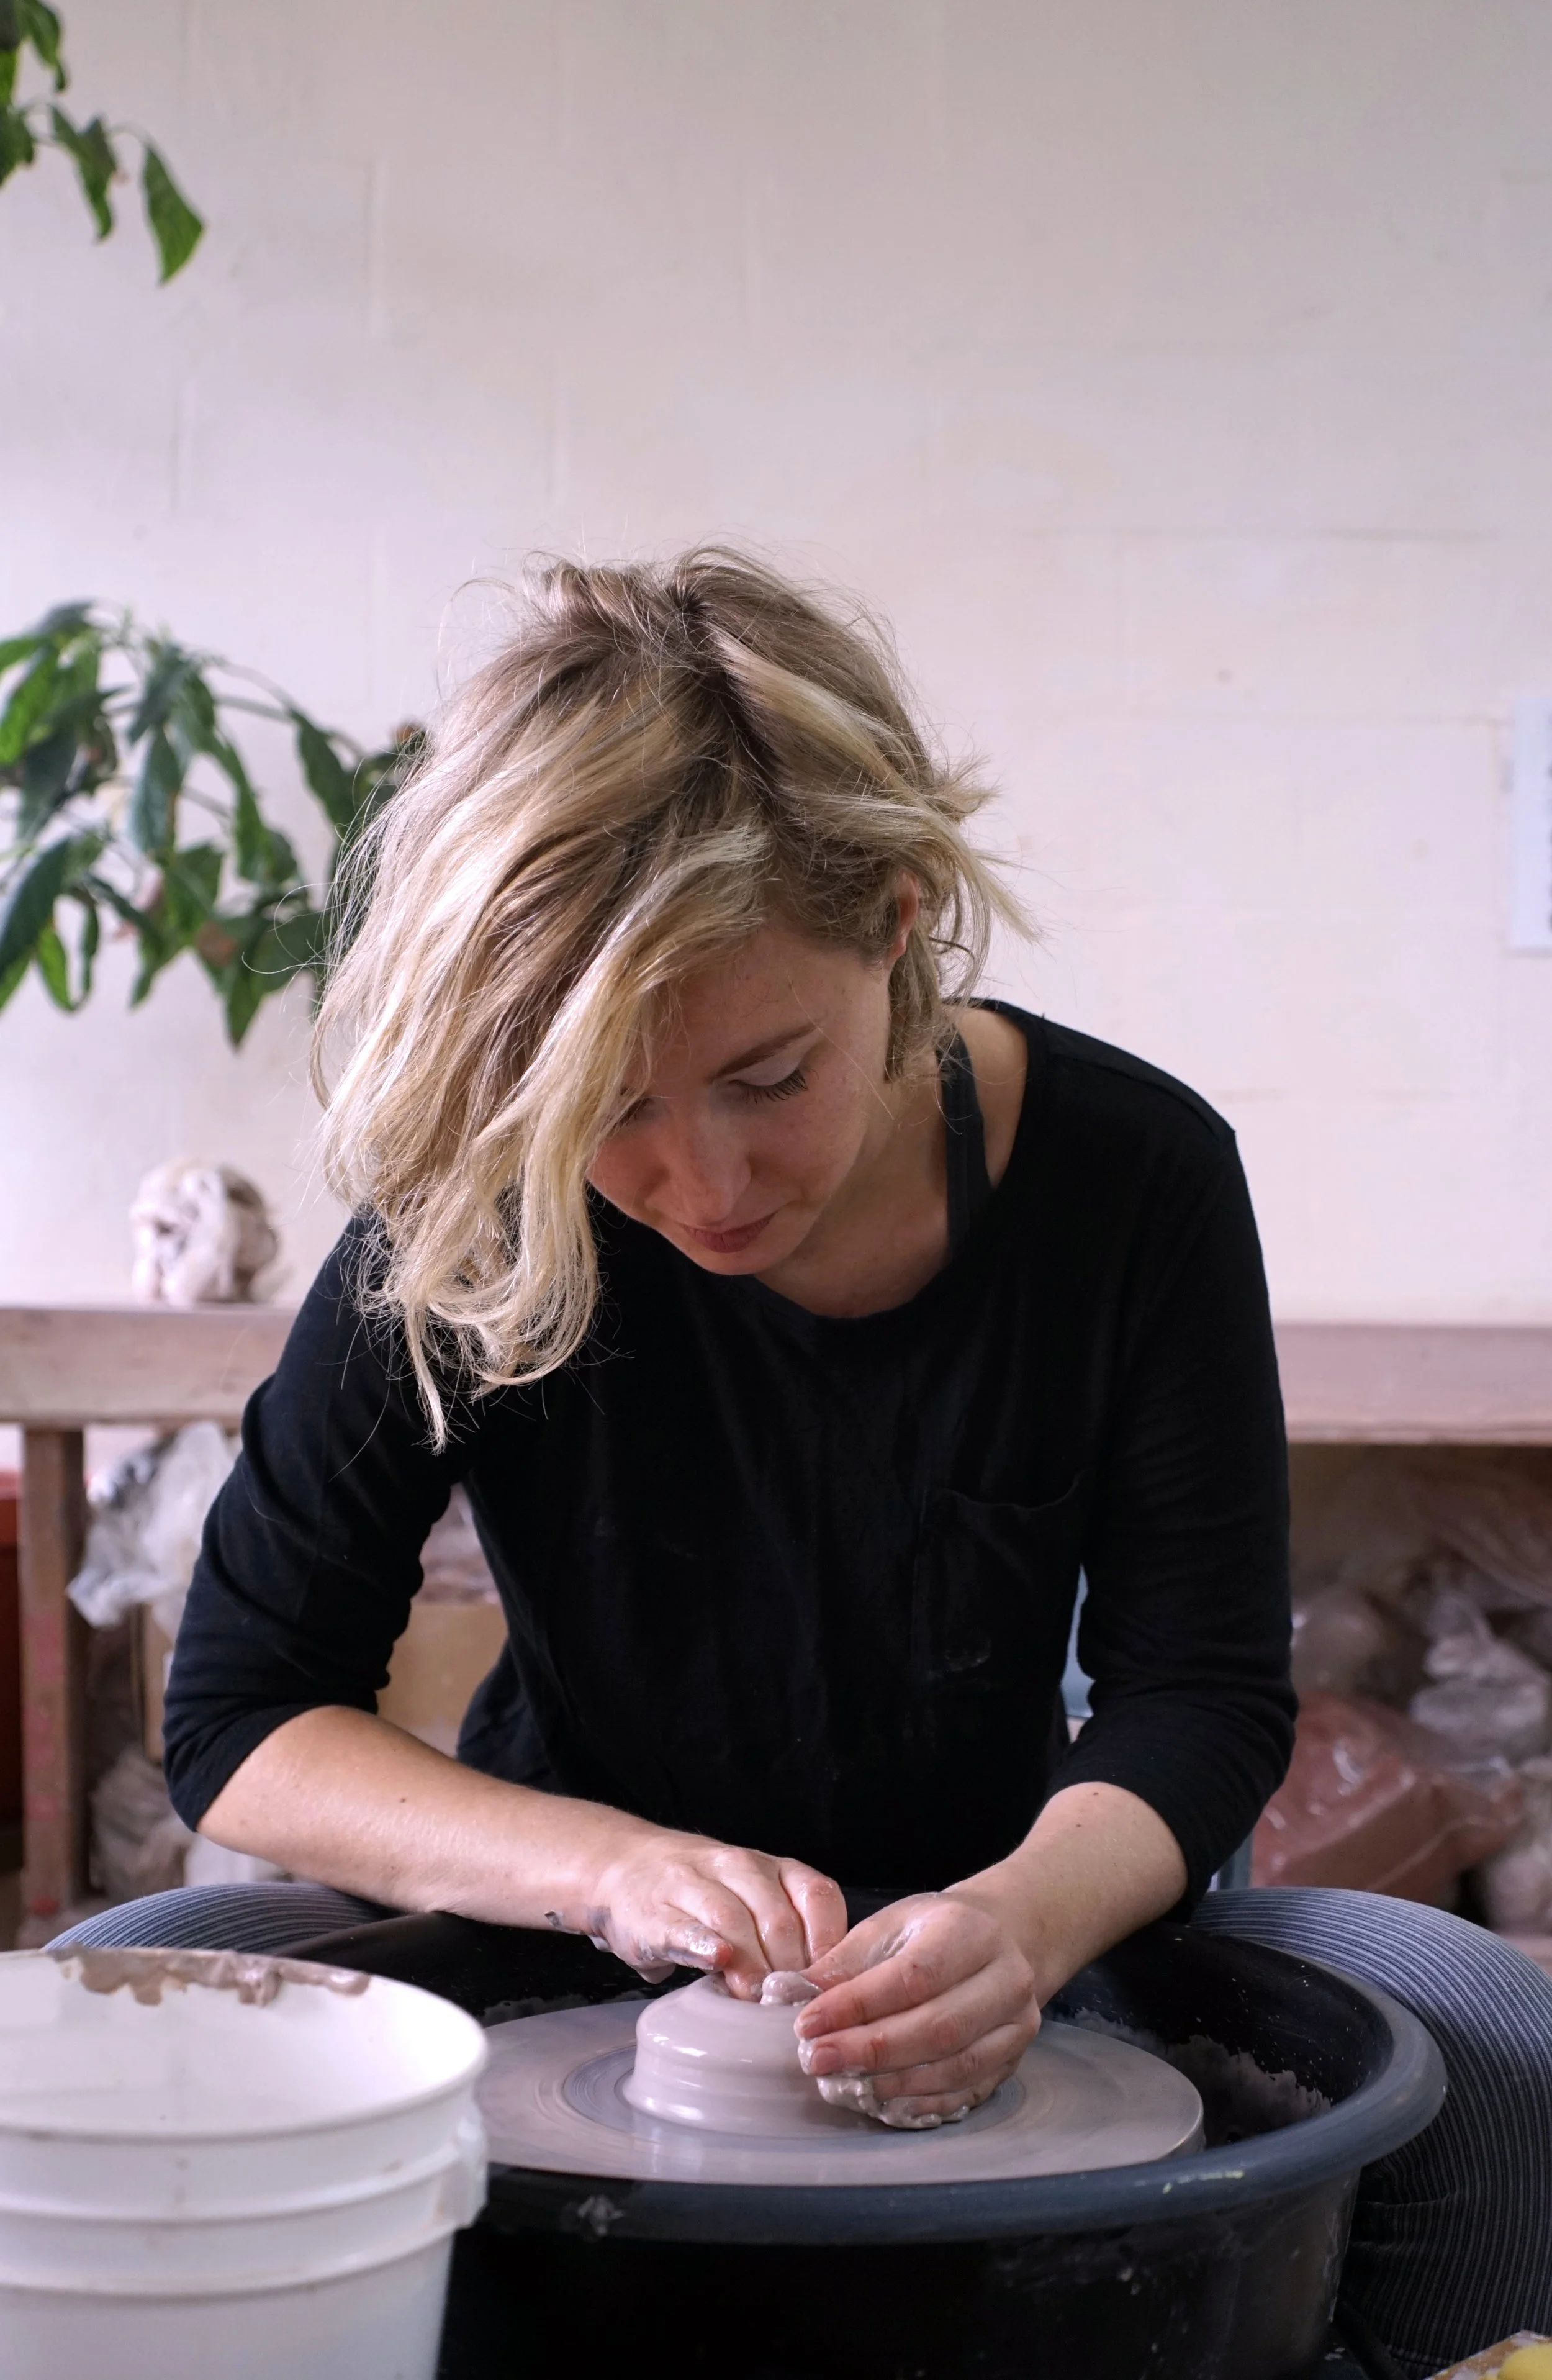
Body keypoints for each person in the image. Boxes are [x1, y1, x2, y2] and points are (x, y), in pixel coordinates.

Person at [61, 554, 1552, 2374]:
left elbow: (1199, 1696)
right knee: (139, 1963)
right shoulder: (473, 1192)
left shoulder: (1130, 1179)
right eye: (609, 1107)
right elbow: (246, 1710)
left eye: (768, 1075)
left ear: (903, 925)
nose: (701, 1185)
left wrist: (1015, 1923)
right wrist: (606, 1873)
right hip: (549, 1924)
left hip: (1017, 1939)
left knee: (1488, 2022)